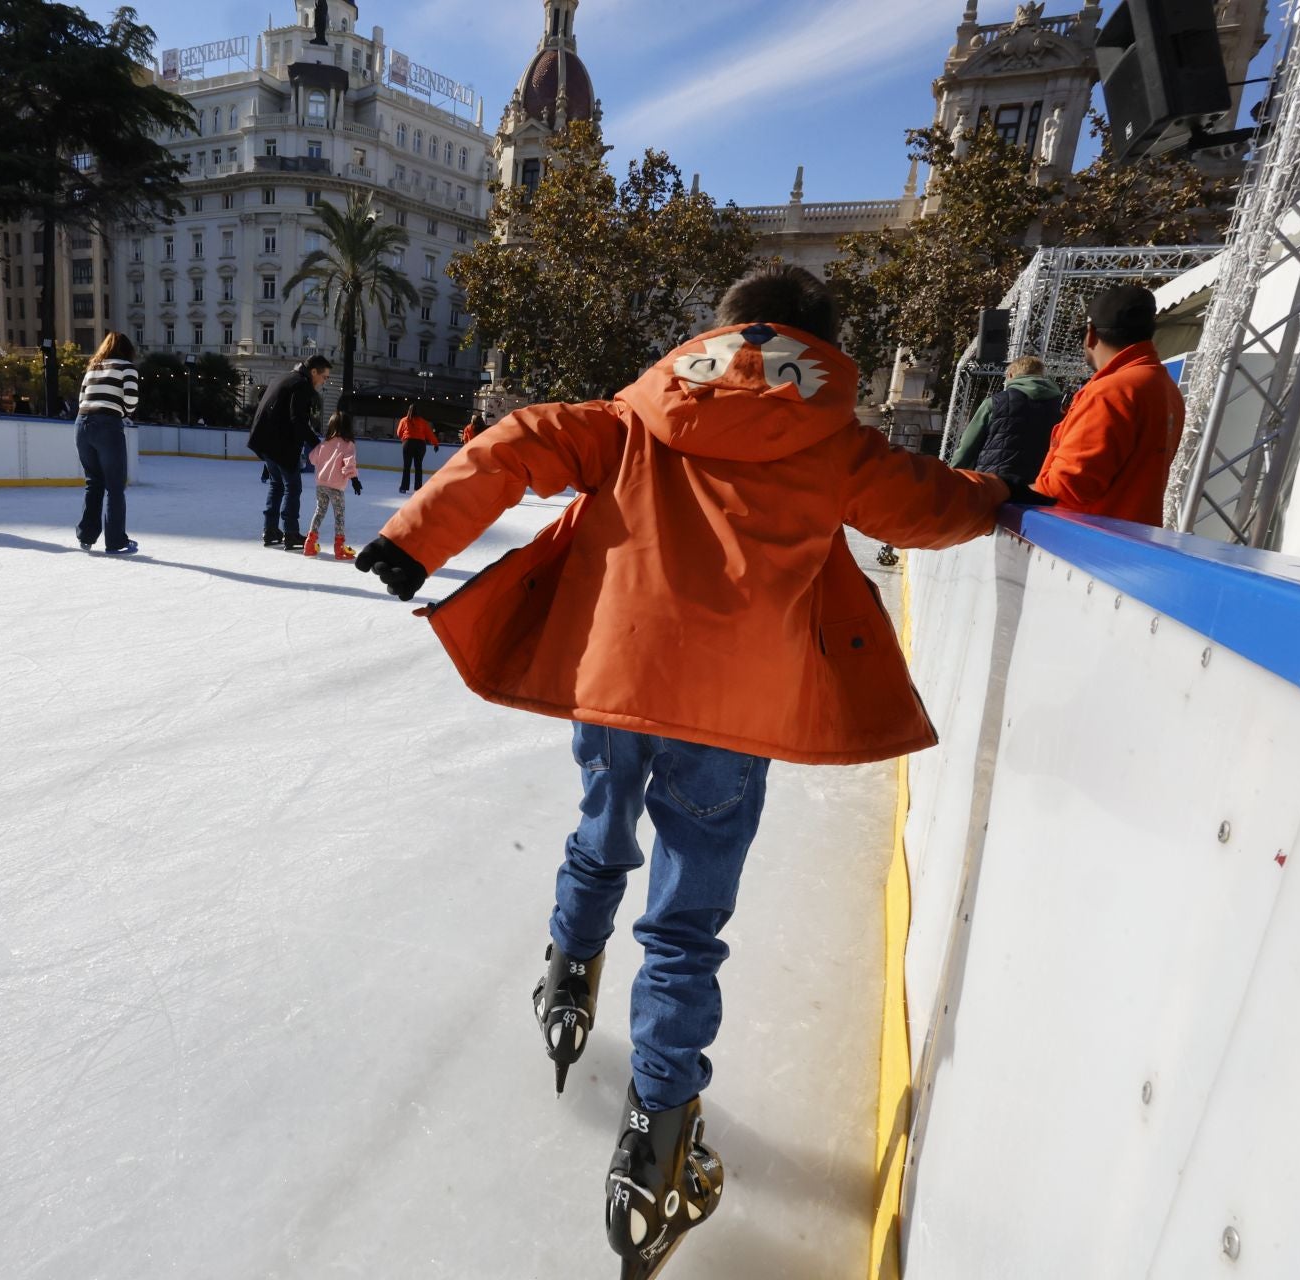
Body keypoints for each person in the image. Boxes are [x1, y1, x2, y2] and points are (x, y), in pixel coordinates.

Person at [354, 264, 1037, 1273]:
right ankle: (659, 1150)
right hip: (730, 710)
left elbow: (519, 440)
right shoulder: (833, 438)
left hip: (615, 678)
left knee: (599, 832)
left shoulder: (637, 409)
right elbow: (922, 509)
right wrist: (999, 495)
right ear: (821, 342)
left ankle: (566, 978)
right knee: (682, 926)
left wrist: (416, 536)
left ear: (720, 330)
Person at [1032, 283, 1185, 525]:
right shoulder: (1165, 387)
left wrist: (1003, 492)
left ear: (1091, 334)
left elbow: (1068, 486)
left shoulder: (1111, 391)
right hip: (1130, 540)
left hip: (1083, 541)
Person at [247, 354, 329, 549]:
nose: (325, 381)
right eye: (324, 376)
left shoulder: (284, 377)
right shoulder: (302, 385)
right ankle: (290, 532)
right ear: (314, 372)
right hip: (281, 444)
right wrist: (318, 444)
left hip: (266, 442)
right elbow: (297, 419)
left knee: (277, 486)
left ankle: (270, 530)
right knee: (293, 487)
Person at [74, 332, 141, 555]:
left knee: (93, 482)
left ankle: (86, 537)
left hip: (82, 424)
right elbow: (131, 400)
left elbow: (82, 398)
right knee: (115, 486)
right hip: (107, 425)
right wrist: (122, 413)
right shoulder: (127, 367)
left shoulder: (94, 367)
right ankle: (115, 542)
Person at [948, 354, 1063, 481]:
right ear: (1041, 376)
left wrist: (952, 476)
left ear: (1010, 376)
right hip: (1039, 485)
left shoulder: (995, 402)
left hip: (995, 483)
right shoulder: (1061, 406)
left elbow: (968, 446)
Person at [304, 411, 364, 559]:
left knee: (319, 512)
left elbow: (312, 458)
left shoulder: (324, 443)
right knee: (339, 516)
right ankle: (339, 548)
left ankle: (309, 544)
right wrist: (355, 480)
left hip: (321, 484)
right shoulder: (348, 445)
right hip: (336, 487)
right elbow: (349, 464)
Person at [395, 401, 439, 492]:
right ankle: (418, 488)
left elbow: (398, 433)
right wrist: (435, 443)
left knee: (406, 466)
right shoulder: (423, 422)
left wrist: (404, 438)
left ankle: (404, 488)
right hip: (420, 445)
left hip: (408, 443)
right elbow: (429, 434)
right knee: (418, 467)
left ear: (409, 410)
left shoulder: (404, 420)